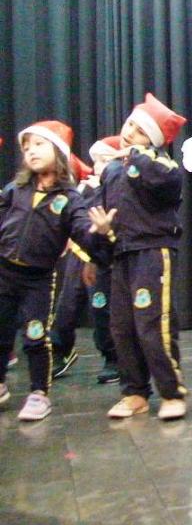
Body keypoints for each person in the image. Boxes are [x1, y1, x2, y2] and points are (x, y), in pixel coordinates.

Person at [0, 121, 110, 420]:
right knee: (1, 331)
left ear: (59, 152)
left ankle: (39, 392)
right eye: (26, 148)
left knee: (35, 336)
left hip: (37, 280)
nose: (31, 152)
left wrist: (100, 233)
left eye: (39, 145)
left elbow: (84, 235)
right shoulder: (16, 189)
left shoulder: (70, 199)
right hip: (4, 273)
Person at [93, 94, 189, 421]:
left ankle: (172, 392)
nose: (130, 132)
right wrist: (102, 232)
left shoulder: (161, 164)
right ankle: (134, 392)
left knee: (152, 323)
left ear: (155, 140)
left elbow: (167, 180)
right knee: (122, 327)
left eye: (141, 130)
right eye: (130, 125)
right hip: (121, 254)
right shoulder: (111, 172)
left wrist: (137, 153)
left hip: (152, 251)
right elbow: (102, 209)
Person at [51, 138, 120, 385]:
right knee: (67, 304)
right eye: (96, 161)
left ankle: (113, 357)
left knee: (101, 307)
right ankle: (60, 350)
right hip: (80, 254)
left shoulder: (115, 188)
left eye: (105, 160)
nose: (98, 165)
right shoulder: (85, 188)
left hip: (101, 256)